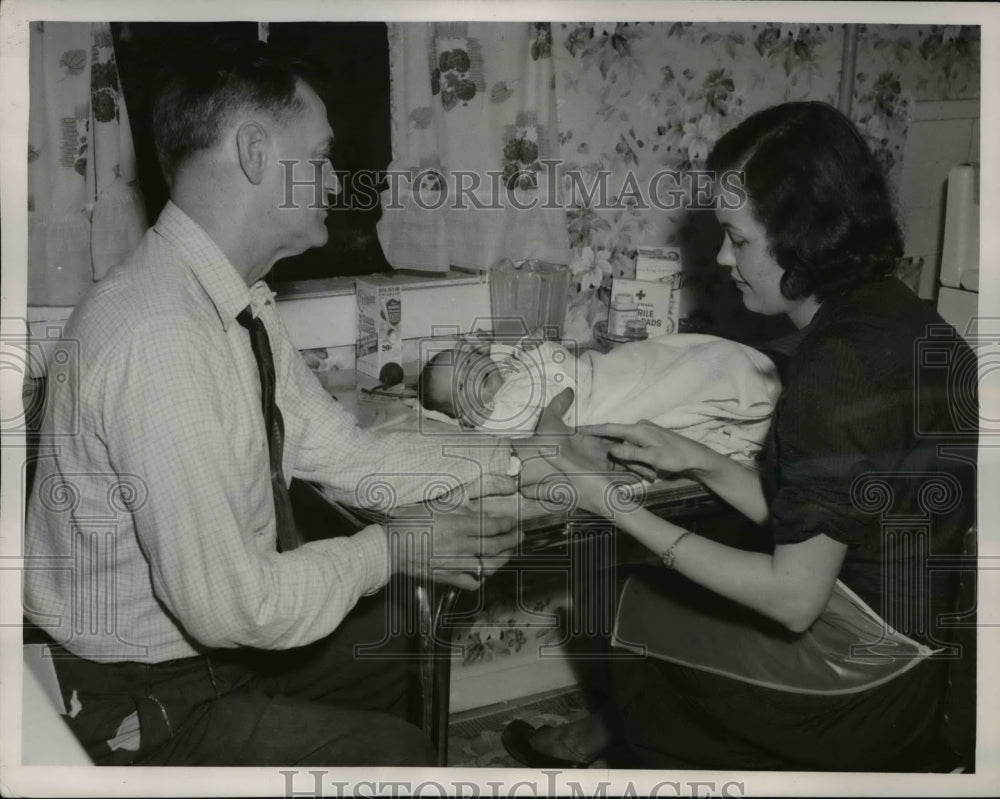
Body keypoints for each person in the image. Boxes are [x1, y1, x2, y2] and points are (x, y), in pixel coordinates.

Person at [22, 42, 539, 767]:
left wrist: (515, 462)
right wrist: (394, 544)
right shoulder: (160, 337)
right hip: (134, 698)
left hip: (201, 654)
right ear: (257, 152)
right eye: (323, 156)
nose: (335, 178)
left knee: (406, 643)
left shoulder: (233, 300)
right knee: (396, 753)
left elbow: (346, 454)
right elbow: (237, 605)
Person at [502, 101, 978, 771]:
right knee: (700, 554)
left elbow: (793, 595)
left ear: (803, 237)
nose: (724, 256)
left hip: (865, 691)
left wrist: (602, 496)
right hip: (928, 665)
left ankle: (664, 748)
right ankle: (631, 733)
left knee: (608, 593)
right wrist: (698, 459)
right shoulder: (909, 320)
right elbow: (839, 527)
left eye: (739, 238)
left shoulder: (834, 367)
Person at [418, 333, 780, 459]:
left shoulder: (509, 370)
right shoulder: (497, 417)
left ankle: (742, 372)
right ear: (465, 416)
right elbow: (499, 434)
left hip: (604, 370)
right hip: (603, 402)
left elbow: (502, 357)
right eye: (462, 386)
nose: (473, 374)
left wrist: (494, 349)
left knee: (663, 355)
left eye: (470, 362)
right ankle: (741, 390)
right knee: (676, 386)